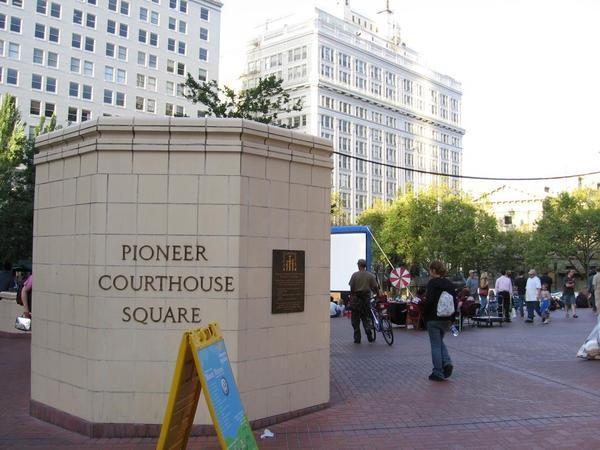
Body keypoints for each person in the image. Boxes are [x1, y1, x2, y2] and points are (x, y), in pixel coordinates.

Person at [422, 260, 456, 382]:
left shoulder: (432, 283)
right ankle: (447, 362)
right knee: (439, 342)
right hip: (446, 318)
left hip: (433, 318)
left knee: (435, 345)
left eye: (430, 270)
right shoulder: (449, 284)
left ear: (433, 270)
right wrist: (452, 318)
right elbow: (454, 301)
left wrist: (424, 314)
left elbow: (429, 301)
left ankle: (438, 372)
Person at [348, 259, 378, 343]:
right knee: (366, 318)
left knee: (355, 320)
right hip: (366, 299)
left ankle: (357, 338)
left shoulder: (354, 275)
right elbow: (375, 287)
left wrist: (352, 296)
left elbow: (352, 288)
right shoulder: (370, 275)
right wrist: (377, 294)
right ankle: (369, 335)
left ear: (359, 265)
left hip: (356, 299)